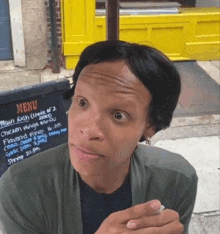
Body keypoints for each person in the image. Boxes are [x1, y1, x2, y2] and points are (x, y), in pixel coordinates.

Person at [0, 40, 198, 234]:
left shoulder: (176, 180)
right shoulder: (21, 188)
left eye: (118, 115)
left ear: (150, 127)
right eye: (82, 102)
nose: (89, 130)